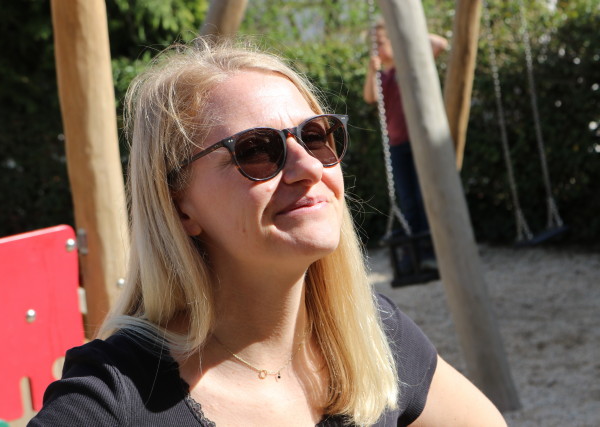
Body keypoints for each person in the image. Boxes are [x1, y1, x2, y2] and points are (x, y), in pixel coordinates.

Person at [30, 38, 505, 426]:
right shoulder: (116, 398)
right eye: (256, 151)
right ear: (180, 207)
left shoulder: (371, 336)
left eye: (316, 136)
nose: (309, 167)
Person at [363, 21, 448, 273]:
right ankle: (416, 254)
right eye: (373, 45)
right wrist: (371, 70)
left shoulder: (410, 67)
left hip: (420, 143)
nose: (376, 49)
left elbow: (440, 44)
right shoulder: (382, 76)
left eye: (380, 43)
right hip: (397, 146)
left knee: (425, 198)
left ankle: (433, 251)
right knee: (408, 202)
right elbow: (370, 97)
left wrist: (403, 33)